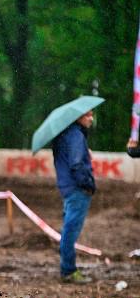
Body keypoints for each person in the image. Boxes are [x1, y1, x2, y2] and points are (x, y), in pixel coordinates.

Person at [52, 110, 96, 284]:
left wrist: (86, 154)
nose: (91, 118)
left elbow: (71, 159)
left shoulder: (65, 135)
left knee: (68, 229)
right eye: (87, 115)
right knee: (71, 231)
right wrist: (87, 184)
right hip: (77, 189)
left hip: (67, 187)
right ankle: (68, 270)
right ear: (77, 117)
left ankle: (67, 267)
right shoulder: (76, 135)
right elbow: (76, 164)